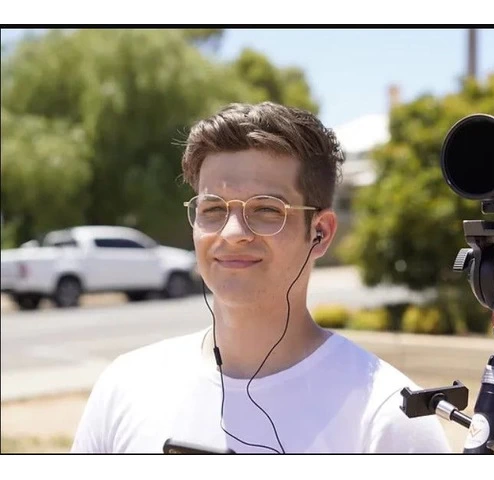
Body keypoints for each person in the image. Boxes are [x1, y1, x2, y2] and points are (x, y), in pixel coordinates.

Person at [70, 102, 452, 454]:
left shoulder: (388, 419)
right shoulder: (125, 387)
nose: (233, 232)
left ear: (320, 233)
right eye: (212, 209)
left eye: (267, 210)